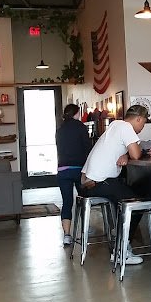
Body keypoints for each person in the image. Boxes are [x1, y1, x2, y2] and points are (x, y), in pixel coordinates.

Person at [80, 105, 150, 264]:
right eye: (143, 123)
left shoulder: (115, 125)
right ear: (139, 119)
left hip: (88, 183)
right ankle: (121, 250)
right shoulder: (126, 127)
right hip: (100, 182)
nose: (142, 128)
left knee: (129, 197)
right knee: (136, 204)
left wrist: (125, 154)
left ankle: (118, 235)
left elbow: (127, 153)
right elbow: (136, 154)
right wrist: (129, 154)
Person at [56, 104, 92, 246]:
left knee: (67, 202)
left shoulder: (60, 129)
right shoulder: (80, 127)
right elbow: (88, 148)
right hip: (78, 169)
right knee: (83, 199)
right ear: (77, 114)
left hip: (63, 170)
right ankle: (85, 228)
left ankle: (67, 235)